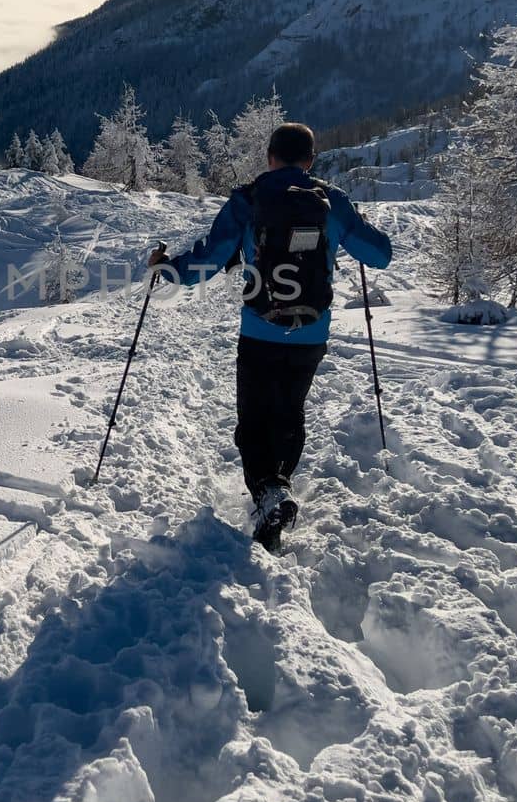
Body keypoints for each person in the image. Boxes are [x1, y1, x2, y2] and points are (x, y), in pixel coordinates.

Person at [148, 122, 392, 550]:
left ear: (270, 157)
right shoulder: (331, 202)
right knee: (290, 411)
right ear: (311, 160)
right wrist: (357, 225)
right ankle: (277, 485)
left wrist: (166, 267)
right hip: (311, 332)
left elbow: (209, 259)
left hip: (260, 330)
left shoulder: (248, 201)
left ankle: (267, 493)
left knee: (254, 420)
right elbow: (380, 255)